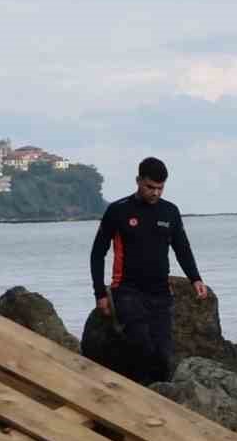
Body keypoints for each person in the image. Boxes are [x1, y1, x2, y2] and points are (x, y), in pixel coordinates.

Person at [88, 156, 208, 384]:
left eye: (160, 188)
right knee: (141, 346)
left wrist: (195, 279)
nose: (155, 193)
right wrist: (99, 293)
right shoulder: (118, 211)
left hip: (160, 294)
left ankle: (158, 401)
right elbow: (97, 253)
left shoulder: (170, 212)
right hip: (127, 291)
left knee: (162, 357)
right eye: (150, 187)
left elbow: (182, 248)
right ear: (138, 181)